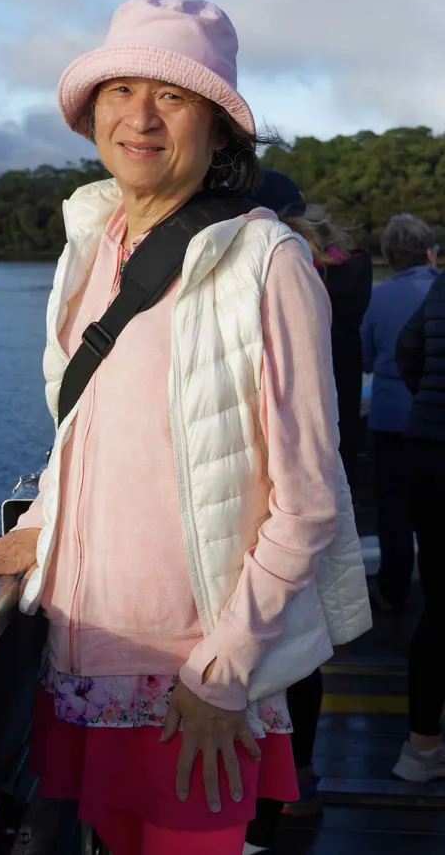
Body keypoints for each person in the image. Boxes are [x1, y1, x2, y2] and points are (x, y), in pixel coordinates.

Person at [0, 0, 370, 855]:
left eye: (172, 96)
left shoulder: (266, 263)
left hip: (196, 665)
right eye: (120, 90)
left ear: (217, 127)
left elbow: (310, 501)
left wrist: (221, 675)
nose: (139, 116)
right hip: (85, 653)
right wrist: (41, 527)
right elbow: (87, 433)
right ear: (91, 111)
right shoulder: (93, 246)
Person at [244, 173, 372, 852]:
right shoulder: (344, 269)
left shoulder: (268, 269)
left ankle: (261, 789)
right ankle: (299, 771)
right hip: (338, 431)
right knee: (307, 627)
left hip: (271, 461)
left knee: (271, 627)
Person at [361, 214, 439, 610]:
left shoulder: (377, 298)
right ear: (430, 250)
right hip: (434, 426)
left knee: (392, 510)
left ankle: (393, 591)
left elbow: (367, 357)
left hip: (389, 421)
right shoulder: (437, 291)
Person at [392, 269, 445, 781]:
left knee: (437, 606)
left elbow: (407, 351)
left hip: (427, 449)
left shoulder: (442, 283)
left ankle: (421, 748)